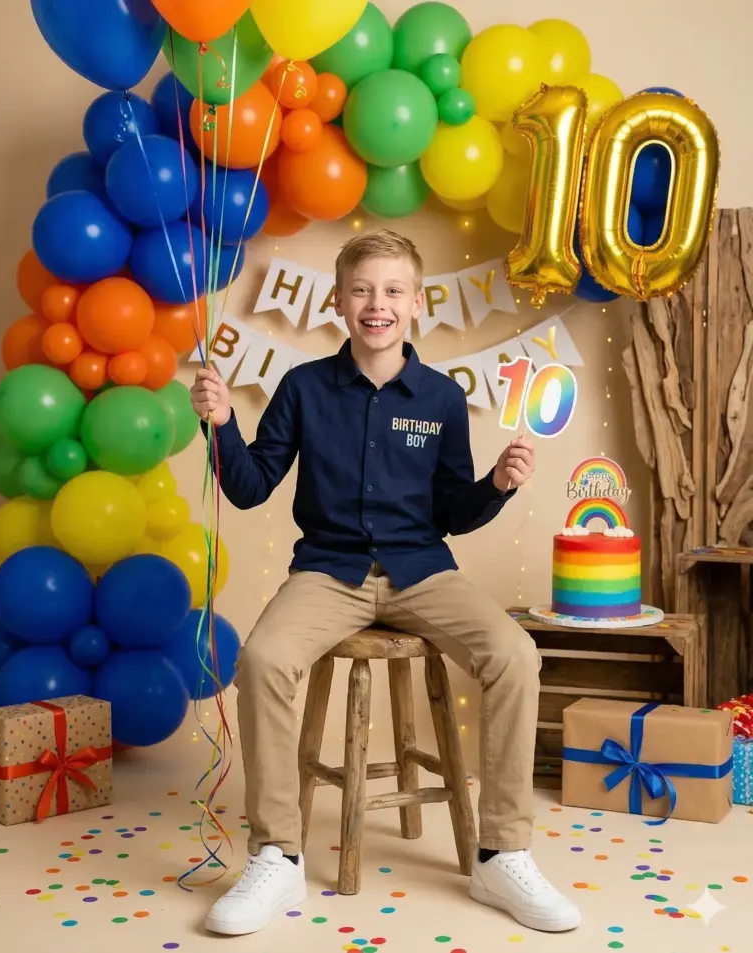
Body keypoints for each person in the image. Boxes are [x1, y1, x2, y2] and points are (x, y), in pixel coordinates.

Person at [190, 230, 581, 937]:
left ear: (416, 304)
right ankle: (276, 855)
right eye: (363, 289)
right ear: (340, 301)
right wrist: (221, 426)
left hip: (423, 572)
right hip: (329, 572)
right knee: (263, 658)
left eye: (393, 290)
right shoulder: (303, 387)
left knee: (516, 654)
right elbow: (249, 490)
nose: (378, 304)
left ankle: (502, 852)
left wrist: (495, 483)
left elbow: (453, 513)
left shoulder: (439, 397)